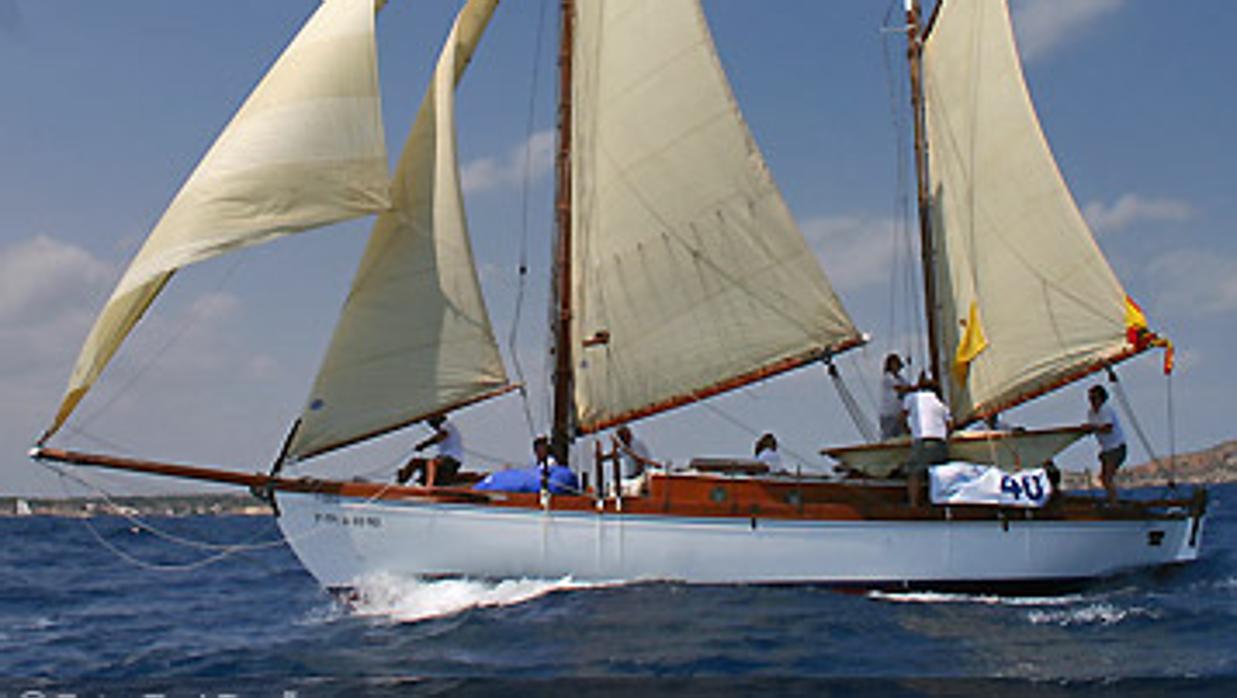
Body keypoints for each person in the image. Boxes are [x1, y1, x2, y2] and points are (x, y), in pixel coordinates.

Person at [903, 377, 951, 507]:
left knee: (914, 472)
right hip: (940, 442)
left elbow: (902, 416)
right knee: (938, 474)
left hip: (923, 441)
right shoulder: (941, 404)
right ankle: (938, 503)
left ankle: (913, 504)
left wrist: (907, 431)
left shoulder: (914, 397)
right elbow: (950, 424)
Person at [1084, 384, 1126, 503]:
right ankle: (1112, 500)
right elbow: (1094, 428)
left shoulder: (1106, 409)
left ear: (1101, 399)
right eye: (1090, 399)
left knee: (1106, 478)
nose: (1092, 401)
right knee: (1103, 477)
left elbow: (1108, 428)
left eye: (1094, 398)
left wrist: (1092, 427)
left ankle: (1114, 504)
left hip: (1116, 448)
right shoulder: (1091, 412)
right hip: (1107, 450)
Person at [397, 414, 463, 486]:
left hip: (451, 461)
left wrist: (424, 445)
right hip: (444, 460)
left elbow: (442, 435)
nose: (431, 426)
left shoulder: (446, 425)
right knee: (415, 462)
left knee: (431, 463)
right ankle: (402, 480)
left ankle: (429, 486)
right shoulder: (444, 427)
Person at [878, 354, 911, 440]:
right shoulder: (888, 377)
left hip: (899, 415)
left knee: (902, 437)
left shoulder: (901, 379)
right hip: (889, 415)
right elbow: (900, 389)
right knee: (888, 438)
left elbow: (909, 388)